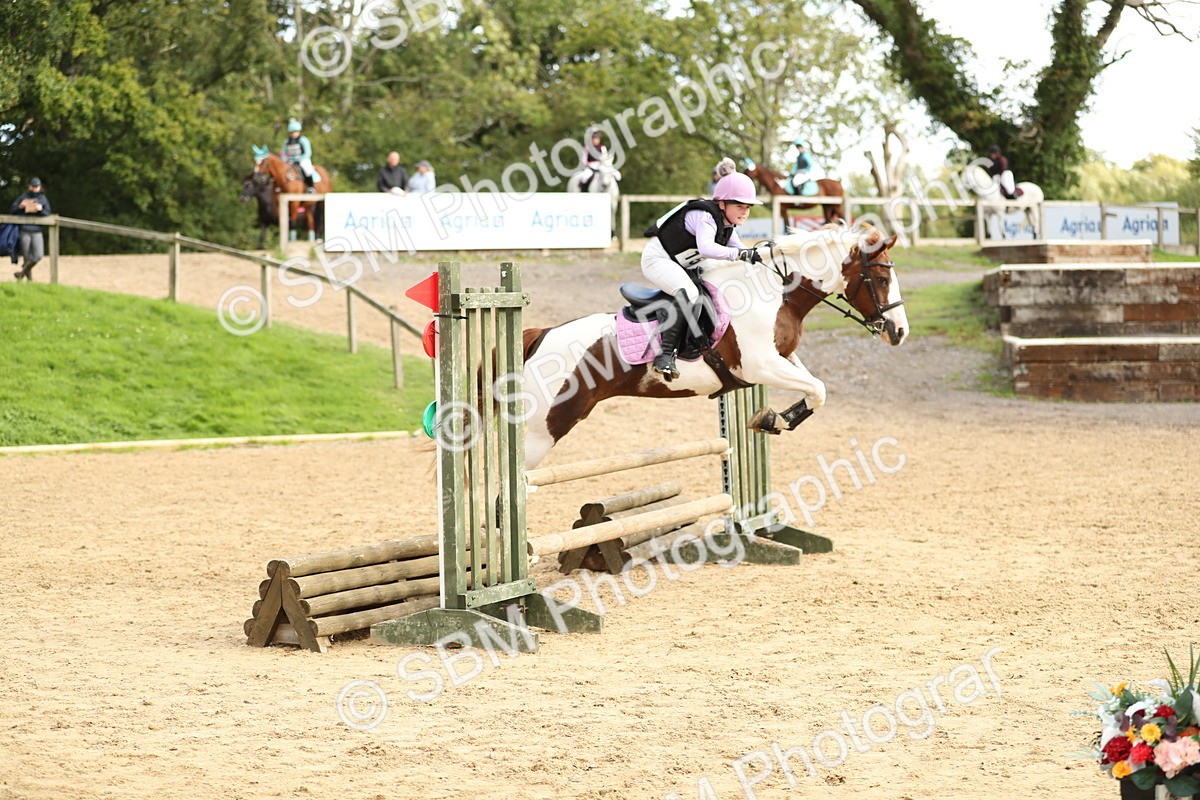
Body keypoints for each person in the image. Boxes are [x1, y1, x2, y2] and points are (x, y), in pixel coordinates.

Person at [640, 158, 761, 381]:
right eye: (739, 206)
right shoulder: (705, 216)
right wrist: (741, 254)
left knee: (725, 272)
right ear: (722, 204)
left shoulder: (727, 224)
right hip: (658, 260)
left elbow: (740, 251)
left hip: (685, 262)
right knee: (689, 293)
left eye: (747, 208)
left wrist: (764, 255)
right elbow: (707, 248)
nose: (744, 212)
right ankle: (665, 356)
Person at [10, 177, 51, 281]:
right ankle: (30, 282)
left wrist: (41, 210)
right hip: (24, 230)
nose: (34, 188)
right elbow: (12, 210)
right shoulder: (23, 197)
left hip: (37, 231)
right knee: (26, 257)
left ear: (40, 187)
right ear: (29, 186)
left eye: (36, 186)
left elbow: (48, 213)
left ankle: (21, 273)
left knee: (38, 256)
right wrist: (20, 206)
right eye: (33, 186)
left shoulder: (43, 199)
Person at [281, 118, 318, 193]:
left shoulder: (303, 140)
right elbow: (284, 153)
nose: (294, 134)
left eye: (296, 132)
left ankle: (310, 186)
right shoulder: (286, 142)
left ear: (299, 132)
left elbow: (308, 153)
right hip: (290, 161)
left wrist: (299, 160)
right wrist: (285, 160)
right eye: (292, 132)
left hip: (303, 159)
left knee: (307, 169)